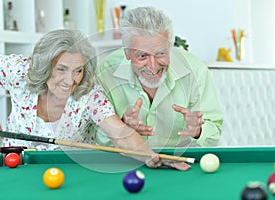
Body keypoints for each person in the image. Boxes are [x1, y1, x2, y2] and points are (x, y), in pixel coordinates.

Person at [0, 29, 190, 170]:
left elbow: (120, 133)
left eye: (77, 70)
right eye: (61, 69)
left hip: (72, 174)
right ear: (44, 66)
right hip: (14, 166)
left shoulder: (90, 95)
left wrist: (150, 156)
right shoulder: (22, 71)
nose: (70, 81)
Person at [94, 6, 223, 148]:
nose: (153, 66)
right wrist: (120, 129)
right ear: (127, 53)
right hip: (128, 160)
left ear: (170, 48)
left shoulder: (196, 71)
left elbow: (214, 133)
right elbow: (96, 135)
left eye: (161, 54)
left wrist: (198, 131)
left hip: (181, 164)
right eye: (142, 56)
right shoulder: (105, 72)